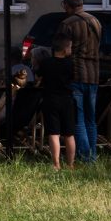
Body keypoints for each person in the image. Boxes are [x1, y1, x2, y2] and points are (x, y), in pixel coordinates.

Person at [55, 0, 102, 162]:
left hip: (76, 74)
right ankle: (93, 156)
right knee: (91, 119)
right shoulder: (96, 21)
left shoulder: (67, 24)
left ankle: (85, 157)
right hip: (94, 75)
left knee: (79, 119)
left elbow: (63, 50)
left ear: (67, 5)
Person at [38, 34, 77, 170]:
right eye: (70, 47)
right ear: (65, 49)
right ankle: (71, 164)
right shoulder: (70, 64)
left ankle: (56, 164)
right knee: (69, 133)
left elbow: (39, 77)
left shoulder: (46, 63)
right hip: (67, 99)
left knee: (54, 133)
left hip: (50, 99)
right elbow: (73, 78)